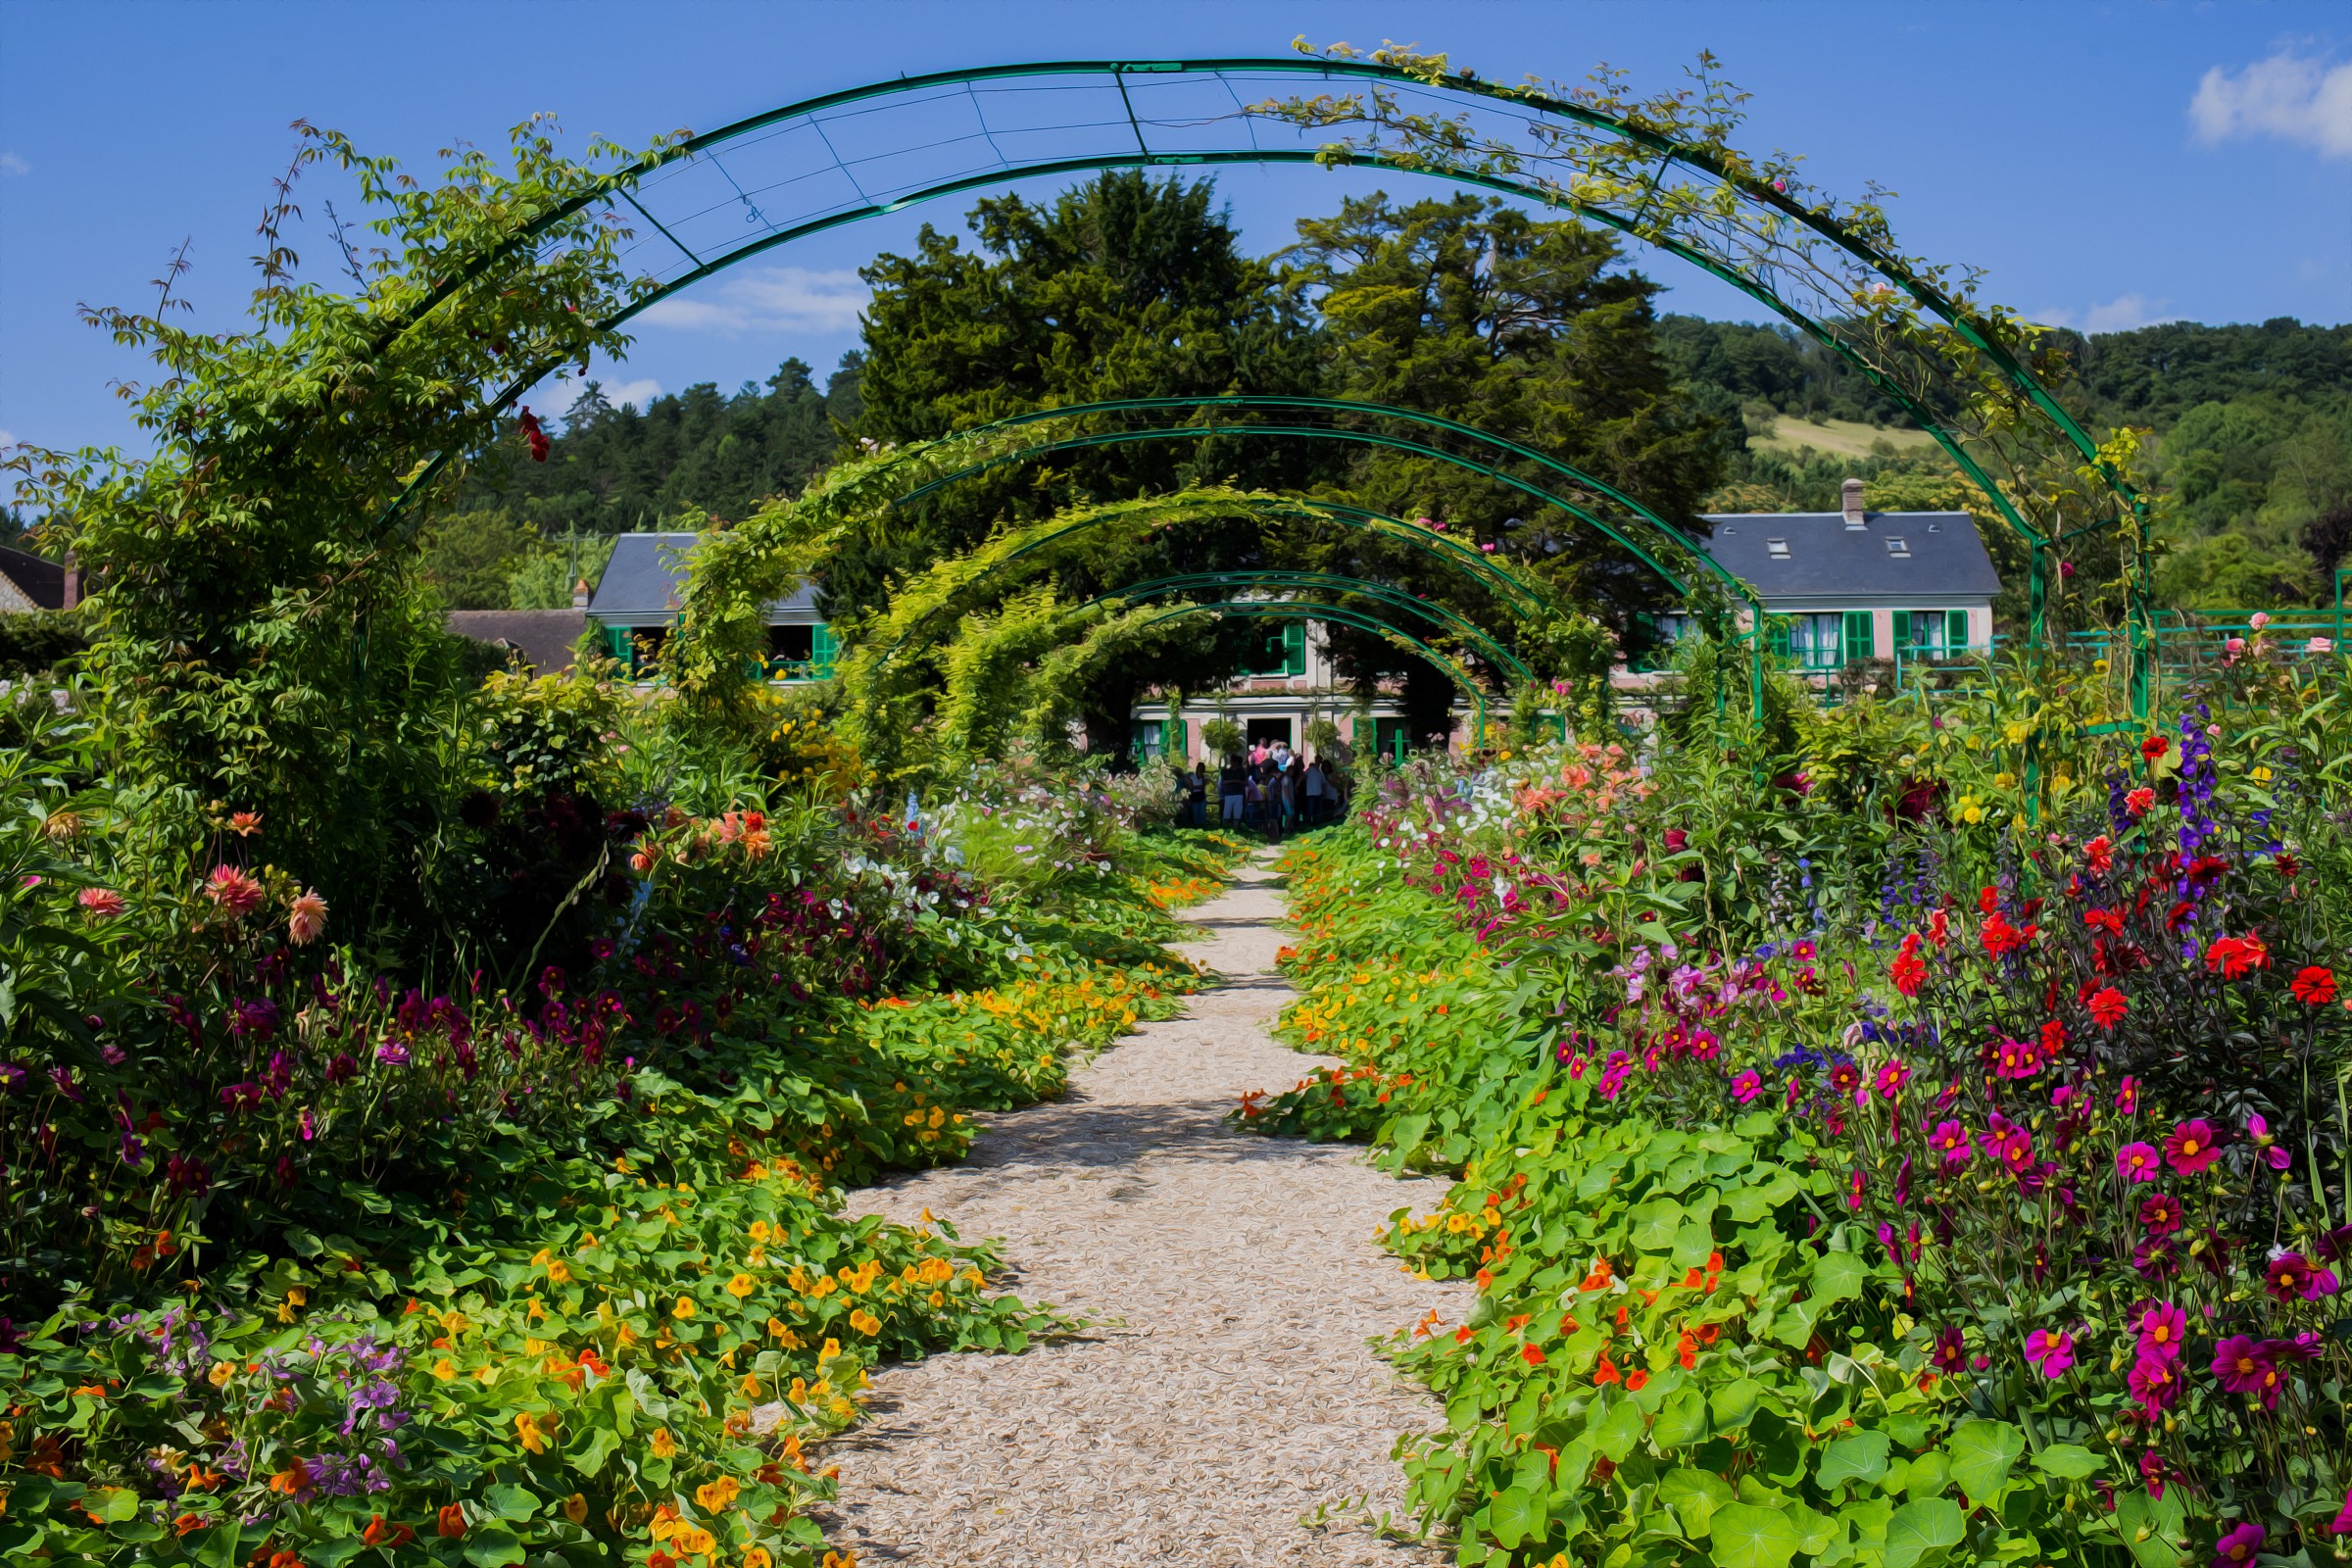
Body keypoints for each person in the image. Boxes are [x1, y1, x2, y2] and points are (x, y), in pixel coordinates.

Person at [1219, 757, 1247, 825]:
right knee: (1226, 815)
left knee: (1237, 816)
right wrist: (1236, 781)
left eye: (1235, 761)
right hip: (1229, 794)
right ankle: (1225, 830)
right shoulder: (1226, 771)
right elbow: (1223, 782)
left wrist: (1235, 781)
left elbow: (1245, 783)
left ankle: (1235, 829)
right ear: (1231, 761)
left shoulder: (1241, 771)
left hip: (1238, 794)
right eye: (1233, 761)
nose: (1234, 763)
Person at [1302, 759, 1327, 823]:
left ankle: (1316, 822)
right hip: (1311, 794)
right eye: (1318, 760)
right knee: (1311, 810)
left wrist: (1324, 791)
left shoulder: (1320, 772)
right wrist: (1297, 784)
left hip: (1318, 793)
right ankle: (1309, 823)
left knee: (1317, 810)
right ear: (1316, 761)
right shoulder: (1310, 770)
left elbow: (1323, 783)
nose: (1318, 762)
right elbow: (1303, 777)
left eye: (1319, 761)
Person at [1184, 762, 1207, 827]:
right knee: (1196, 813)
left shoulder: (1204, 777)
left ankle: (1202, 826)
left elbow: (1202, 787)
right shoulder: (1192, 776)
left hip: (1201, 796)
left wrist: (1194, 786)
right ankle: (1197, 827)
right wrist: (1197, 787)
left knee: (1202, 812)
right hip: (1194, 796)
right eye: (1200, 768)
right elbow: (1191, 788)